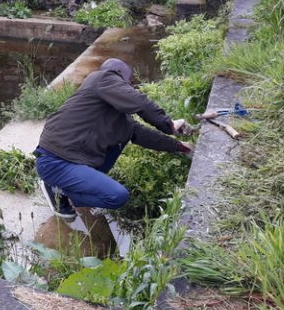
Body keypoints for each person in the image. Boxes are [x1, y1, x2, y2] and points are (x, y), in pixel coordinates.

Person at [34, 58, 193, 218]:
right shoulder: (101, 78)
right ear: (117, 74)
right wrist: (169, 124)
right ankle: (57, 189)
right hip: (54, 160)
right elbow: (139, 102)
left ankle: (68, 189)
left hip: (73, 159)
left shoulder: (115, 114)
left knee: (127, 134)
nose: (130, 86)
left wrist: (180, 146)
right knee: (117, 196)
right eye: (128, 81)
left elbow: (144, 135)